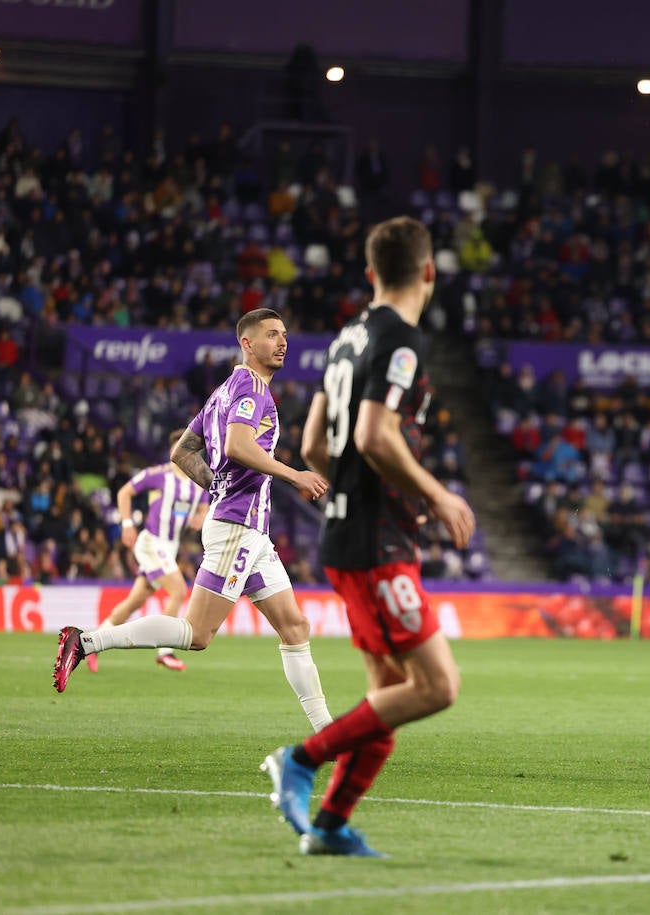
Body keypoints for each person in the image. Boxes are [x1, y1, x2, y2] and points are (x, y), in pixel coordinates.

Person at [261, 216, 476, 857]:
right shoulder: (402, 341)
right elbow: (375, 436)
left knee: (388, 695)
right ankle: (299, 760)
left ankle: (329, 827)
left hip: (348, 534)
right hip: (377, 543)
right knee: (436, 686)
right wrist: (435, 495)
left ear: (370, 272)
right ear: (429, 272)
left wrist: (353, 494)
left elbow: (310, 444)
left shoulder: (345, 338)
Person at [52, 308, 334, 734]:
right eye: (271, 335)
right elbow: (239, 445)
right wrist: (293, 474)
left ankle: (329, 733)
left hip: (251, 531)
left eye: (284, 335)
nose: (282, 342)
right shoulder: (250, 387)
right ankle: (87, 640)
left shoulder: (222, 392)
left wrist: (215, 484)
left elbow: (181, 452)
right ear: (247, 343)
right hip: (238, 527)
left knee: (295, 627)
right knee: (196, 633)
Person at [86, 429, 211, 675]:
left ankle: (90, 644)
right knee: (178, 590)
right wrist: (127, 523)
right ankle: (165, 652)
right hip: (152, 542)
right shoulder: (159, 475)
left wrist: (200, 516)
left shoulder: (199, 483)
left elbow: (205, 508)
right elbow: (125, 492)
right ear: (173, 451)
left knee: (135, 601)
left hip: (170, 548)